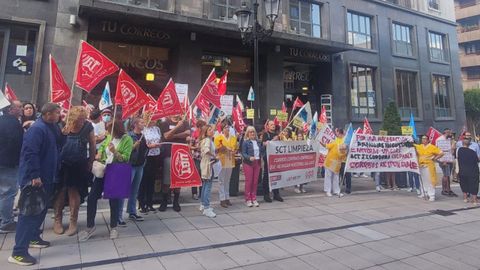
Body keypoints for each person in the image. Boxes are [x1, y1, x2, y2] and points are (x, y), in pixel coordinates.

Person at [9, 103, 63, 266]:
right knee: (30, 212)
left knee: (41, 209)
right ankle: (18, 252)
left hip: (47, 177)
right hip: (35, 179)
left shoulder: (50, 127)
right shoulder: (37, 129)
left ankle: (33, 237)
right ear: (47, 114)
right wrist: (35, 175)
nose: (59, 115)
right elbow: (30, 153)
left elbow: (59, 142)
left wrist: (64, 132)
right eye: (56, 113)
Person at [78, 119, 133, 241]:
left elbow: (126, 158)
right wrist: (100, 152)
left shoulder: (127, 139)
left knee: (113, 200)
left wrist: (115, 152)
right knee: (92, 197)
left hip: (115, 171)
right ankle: (90, 226)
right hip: (103, 170)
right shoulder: (110, 137)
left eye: (110, 130)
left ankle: (113, 226)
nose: (108, 132)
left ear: (117, 130)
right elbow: (103, 146)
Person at [53, 106, 95, 236]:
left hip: (78, 164)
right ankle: (57, 219)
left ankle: (73, 221)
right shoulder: (61, 125)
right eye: (80, 119)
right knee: (60, 191)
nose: (82, 122)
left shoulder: (88, 127)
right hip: (62, 163)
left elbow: (92, 145)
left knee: (74, 191)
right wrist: (62, 135)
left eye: (83, 119)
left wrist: (90, 161)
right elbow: (55, 144)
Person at [0, 100, 23, 233]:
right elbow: (17, 144)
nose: (20, 109)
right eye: (18, 107)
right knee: (8, 193)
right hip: (9, 162)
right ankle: (6, 222)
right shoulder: (14, 124)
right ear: (10, 110)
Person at [118, 117, 147, 223]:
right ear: (135, 124)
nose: (144, 124)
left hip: (140, 165)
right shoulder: (129, 136)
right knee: (124, 190)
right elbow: (124, 150)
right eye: (141, 122)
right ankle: (118, 216)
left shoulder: (143, 136)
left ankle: (132, 212)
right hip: (130, 165)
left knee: (134, 190)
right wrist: (134, 146)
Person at [159, 115, 190, 212]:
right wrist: (177, 127)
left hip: (181, 153)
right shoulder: (164, 123)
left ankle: (176, 201)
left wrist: (174, 135)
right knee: (166, 180)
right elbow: (166, 136)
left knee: (178, 178)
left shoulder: (185, 122)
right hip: (168, 153)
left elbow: (187, 134)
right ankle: (164, 200)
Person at [138, 118, 162, 213]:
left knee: (152, 180)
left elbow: (159, 139)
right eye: (152, 119)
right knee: (143, 180)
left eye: (155, 119)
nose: (154, 121)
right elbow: (143, 144)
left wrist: (159, 144)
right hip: (146, 156)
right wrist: (150, 146)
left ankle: (149, 202)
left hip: (155, 155)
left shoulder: (157, 129)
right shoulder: (143, 130)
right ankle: (141, 203)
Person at [414, 135, 444, 202]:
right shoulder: (420, 146)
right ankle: (424, 193)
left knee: (430, 180)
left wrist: (435, 158)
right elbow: (413, 146)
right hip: (421, 165)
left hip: (429, 166)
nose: (423, 140)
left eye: (425, 139)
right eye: (422, 139)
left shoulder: (432, 147)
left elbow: (441, 153)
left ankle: (431, 195)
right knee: (423, 180)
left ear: (428, 140)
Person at [214, 123, 238, 208]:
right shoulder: (218, 138)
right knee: (221, 181)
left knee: (227, 180)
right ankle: (222, 199)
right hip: (222, 160)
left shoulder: (233, 138)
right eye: (225, 128)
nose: (227, 129)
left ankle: (227, 198)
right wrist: (224, 148)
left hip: (230, 160)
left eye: (228, 127)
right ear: (222, 129)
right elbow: (216, 149)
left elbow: (235, 148)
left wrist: (234, 151)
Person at [261, 120, 283, 202]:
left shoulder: (278, 135)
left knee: (277, 176)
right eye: (271, 125)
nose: (273, 126)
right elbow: (264, 144)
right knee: (266, 176)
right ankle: (266, 195)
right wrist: (273, 140)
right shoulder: (265, 134)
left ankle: (276, 194)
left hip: (276, 159)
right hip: (268, 159)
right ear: (268, 126)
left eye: (274, 124)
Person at [242, 126, 262, 207]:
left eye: (253, 131)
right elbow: (243, 153)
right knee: (249, 181)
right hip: (248, 163)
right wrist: (249, 157)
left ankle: (254, 198)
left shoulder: (258, 141)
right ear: (247, 133)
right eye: (250, 132)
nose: (252, 133)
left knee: (255, 181)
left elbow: (261, 151)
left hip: (257, 162)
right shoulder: (246, 142)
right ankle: (248, 199)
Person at [322, 130, 347, 197]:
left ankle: (336, 191)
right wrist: (321, 142)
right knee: (329, 176)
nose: (337, 134)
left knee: (335, 177)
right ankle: (328, 191)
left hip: (337, 163)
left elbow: (345, 153)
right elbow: (327, 146)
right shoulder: (335, 141)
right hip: (330, 161)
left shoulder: (345, 142)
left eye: (338, 133)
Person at [199, 125, 217, 217]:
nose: (212, 131)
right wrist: (214, 156)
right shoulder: (207, 140)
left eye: (212, 129)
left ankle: (203, 204)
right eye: (209, 130)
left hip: (206, 164)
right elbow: (206, 150)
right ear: (206, 132)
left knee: (205, 184)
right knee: (208, 186)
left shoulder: (207, 140)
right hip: (208, 164)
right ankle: (206, 207)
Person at [457, 135, 479, 205]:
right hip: (472, 170)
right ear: (469, 143)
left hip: (462, 170)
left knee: (464, 184)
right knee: (474, 184)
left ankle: (465, 198)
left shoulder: (459, 150)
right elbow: (477, 160)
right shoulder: (472, 152)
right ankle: (474, 200)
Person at [437, 128, 456, 197]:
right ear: (446, 132)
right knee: (446, 175)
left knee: (448, 175)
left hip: (450, 159)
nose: (451, 134)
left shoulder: (450, 140)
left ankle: (448, 189)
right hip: (444, 160)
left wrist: (453, 142)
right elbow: (439, 150)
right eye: (450, 133)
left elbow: (452, 150)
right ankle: (444, 190)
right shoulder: (440, 140)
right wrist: (442, 160)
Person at [190, 119, 206, 200]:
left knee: (203, 175)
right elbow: (190, 146)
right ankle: (194, 193)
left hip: (204, 158)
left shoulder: (205, 135)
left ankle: (202, 192)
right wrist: (197, 147)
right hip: (196, 157)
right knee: (196, 175)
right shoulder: (194, 134)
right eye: (203, 126)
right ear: (199, 127)